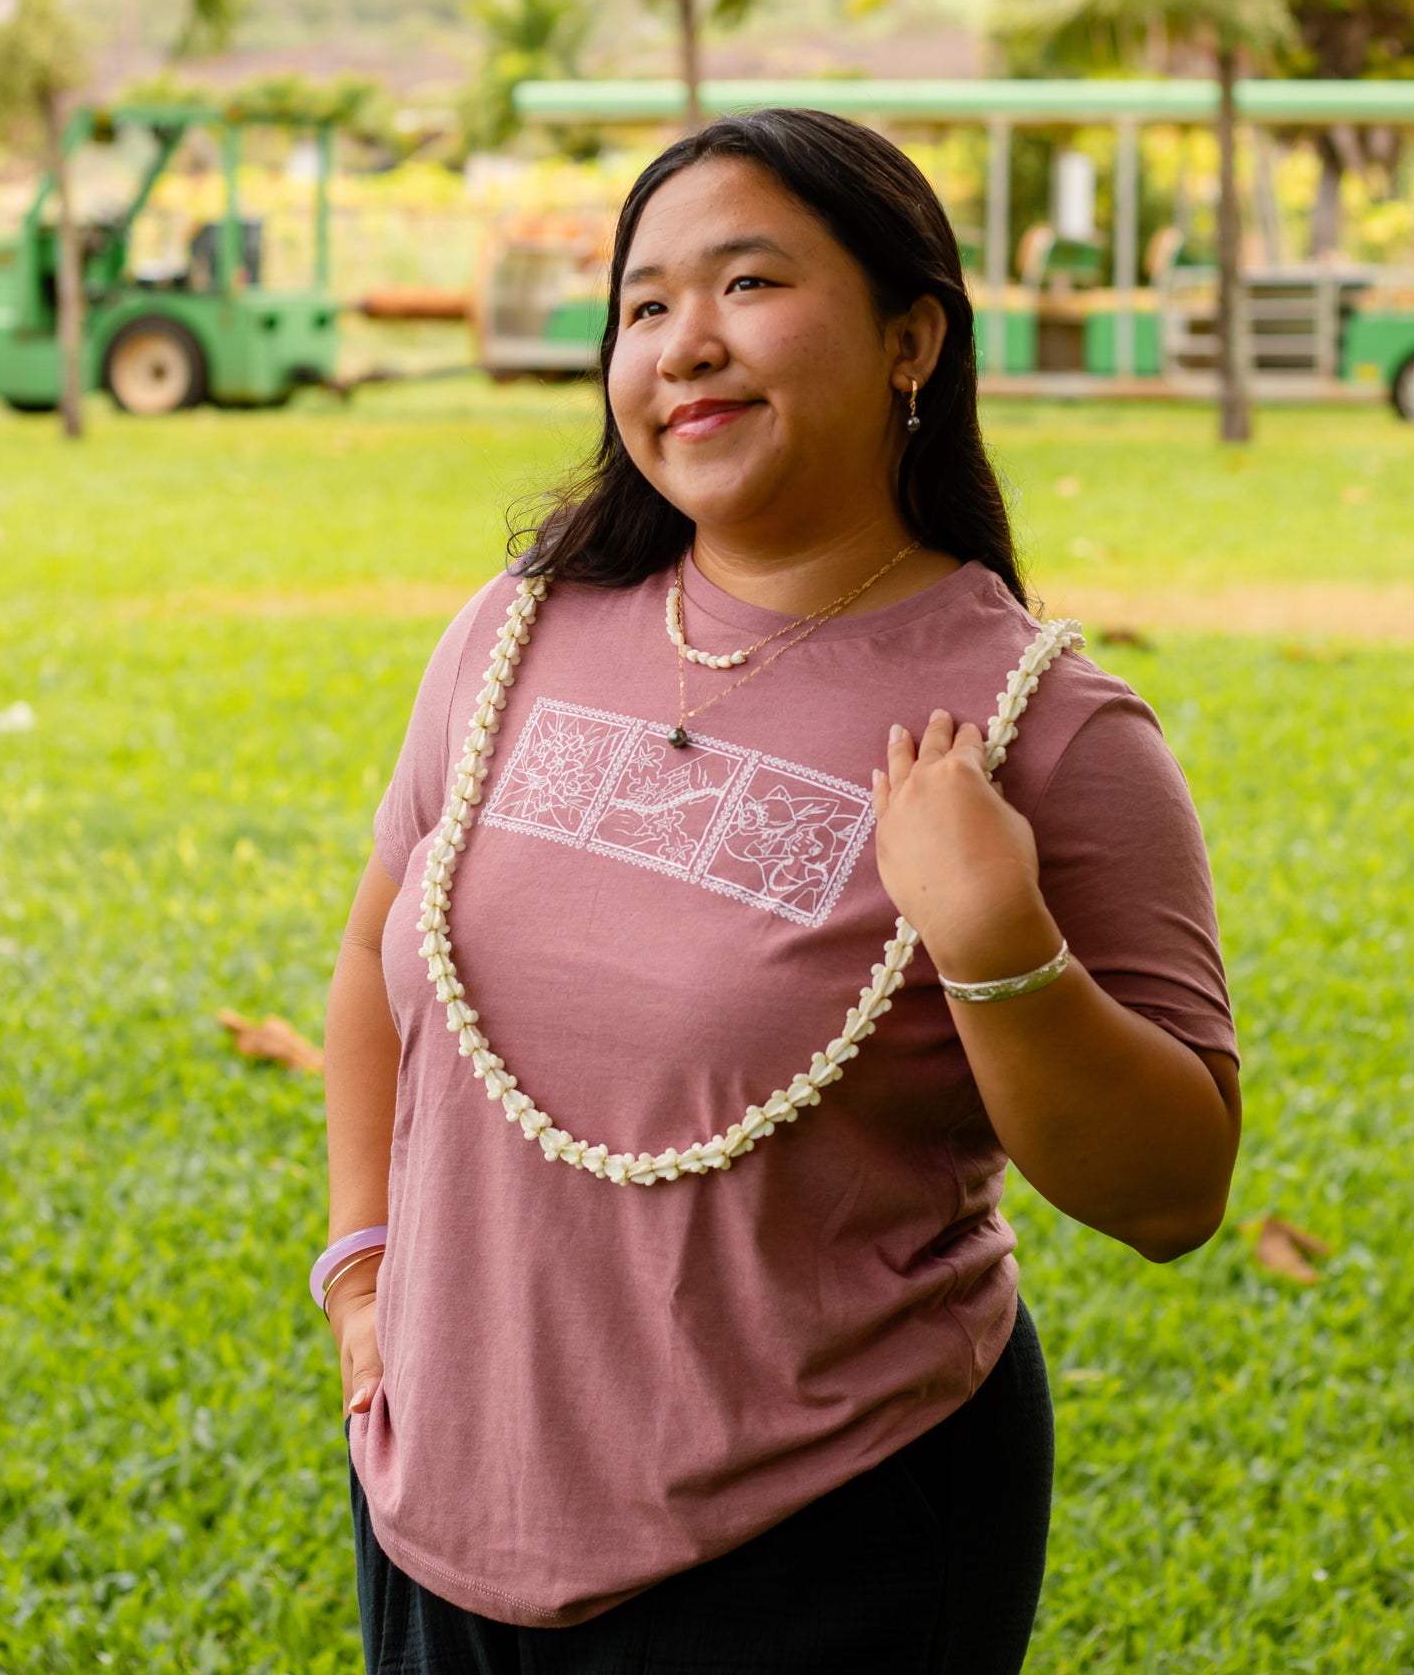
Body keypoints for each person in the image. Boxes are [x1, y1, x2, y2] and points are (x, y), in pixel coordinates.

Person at [318, 109, 1241, 1675]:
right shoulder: (513, 633)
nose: (685, 344)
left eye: (747, 285)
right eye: (644, 304)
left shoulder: (1044, 727)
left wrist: (998, 945)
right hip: (441, 1497)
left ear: (910, 340)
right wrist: (361, 1273)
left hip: (819, 1531)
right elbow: (376, 954)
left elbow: (1172, 1191)